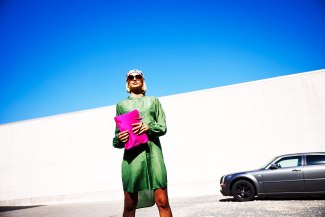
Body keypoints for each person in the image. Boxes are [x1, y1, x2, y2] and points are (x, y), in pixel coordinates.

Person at [113, 69, 173, 217]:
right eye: (130, 77)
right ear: (127, 82)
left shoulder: (153, 101)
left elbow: (163, 127)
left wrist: (148, 127)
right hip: (132, 159)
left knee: (163, 201)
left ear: (142, 80)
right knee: (129, 204)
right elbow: (116, 138)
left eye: (137, 76)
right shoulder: (121, 105)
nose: (134, 79)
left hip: (153, 155)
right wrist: (119, 138)